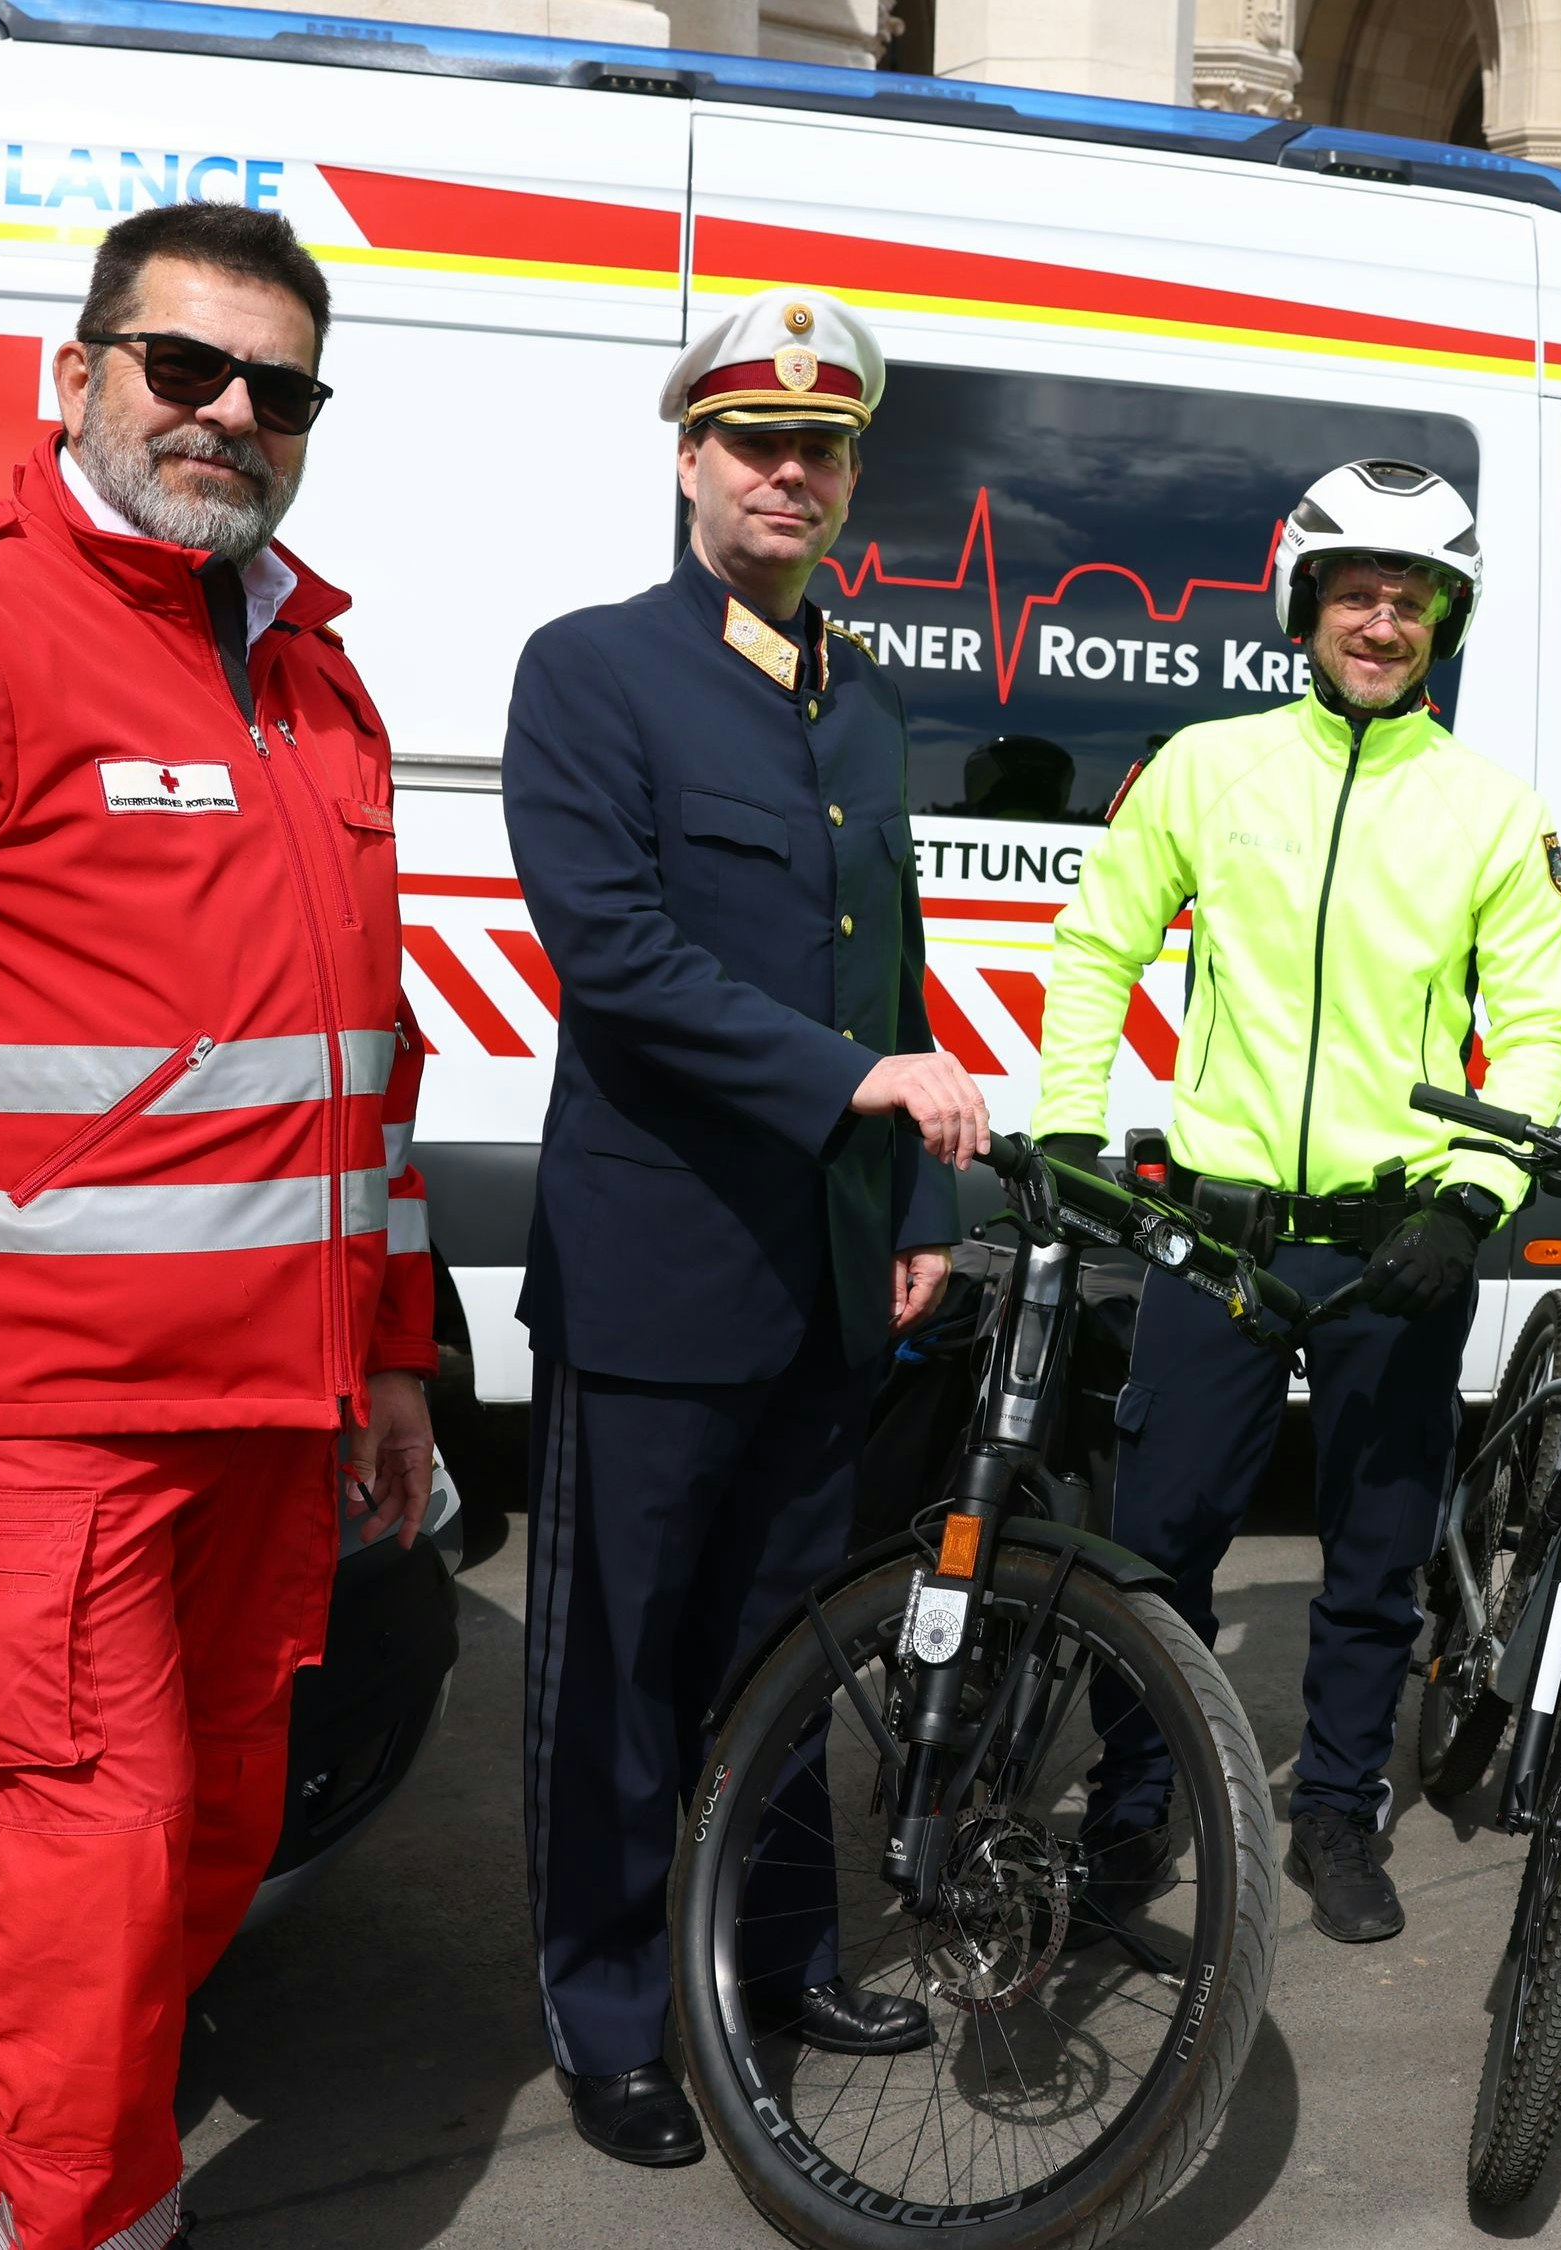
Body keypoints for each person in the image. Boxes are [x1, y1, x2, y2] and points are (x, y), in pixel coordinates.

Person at [0, 201, 437, 2250]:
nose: (225, 415)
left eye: (274, 389)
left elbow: (362, 1074)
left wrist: (390, 1357)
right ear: (80, 372)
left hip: (270, 1430)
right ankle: (72, 2228)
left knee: (198, 1862)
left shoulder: (313, 673)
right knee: (75, 1902)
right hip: (57, 1446)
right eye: (182, 367)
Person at [502, 286, 986, 2168]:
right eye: (755, 441)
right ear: (690, 457)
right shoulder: (593, 670)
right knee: (623, 1672)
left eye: (824, 445)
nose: (791, 472)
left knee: (792, 1649)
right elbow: (615, 959)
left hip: (823, 1278)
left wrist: (915, 1195)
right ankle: (612, 2006)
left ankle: (778, 1955)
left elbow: (898, 972)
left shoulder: (855, 698)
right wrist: (854, 1091)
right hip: (656, 1271)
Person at [1036, 458, 1561, 1944]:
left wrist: (1473, 1200)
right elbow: (1096, 950)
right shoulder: (1210, 765)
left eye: (1412, 600)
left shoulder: (1490, 808)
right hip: (1217, 1227)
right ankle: (1136, 1801)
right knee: (1158, 1547)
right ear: (1307, 604)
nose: (1382, 620)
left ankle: (1339, 1811)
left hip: (1394, 1244)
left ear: (1444, 623)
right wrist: (1072, 1131)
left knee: (1377, 1553)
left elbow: (1540, 1025)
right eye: (1357, 591)